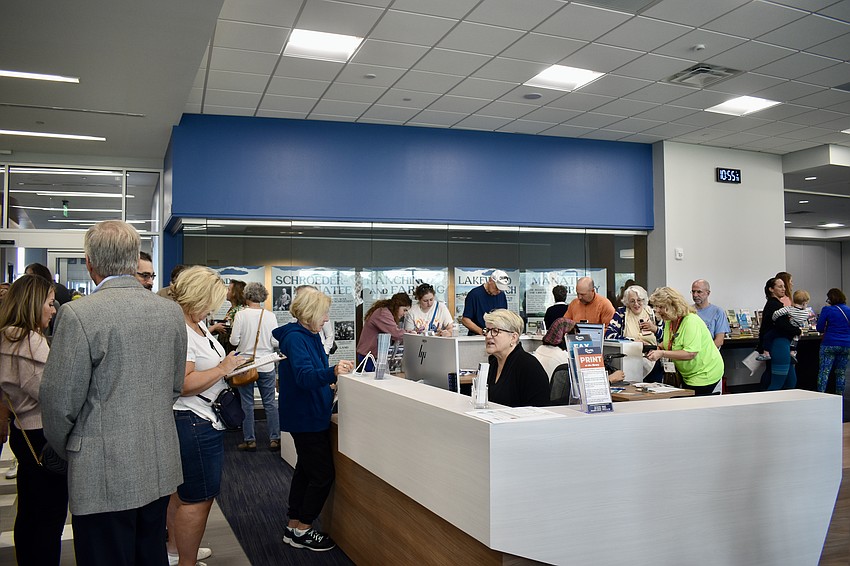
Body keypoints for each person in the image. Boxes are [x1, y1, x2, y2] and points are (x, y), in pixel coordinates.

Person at [40, 220, 188, 566]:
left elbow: (58, 401)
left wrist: (71, 448)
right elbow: (174, 386)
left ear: (89, 262)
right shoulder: (170, 312)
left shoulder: (78, 314)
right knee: (149, 552)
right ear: (134, 258)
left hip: (100, 470)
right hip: (157, 459)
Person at [168, 266, 241, 566]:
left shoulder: (194, 324)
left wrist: (225, 367)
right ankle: (186, 560)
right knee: (198, 498)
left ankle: (177, 552)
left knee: (182, 495)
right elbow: (184, 384)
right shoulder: (184, 329)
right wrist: (223, 369)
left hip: (198, 419)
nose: (214, 307)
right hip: (194, 421)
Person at [272, 288, 355, 552]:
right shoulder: (297, 339)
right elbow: (305, 377)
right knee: (322, 475)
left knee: (306, 471)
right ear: (309, 313)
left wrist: (327, 380)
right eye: (324, 313)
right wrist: (332, 372)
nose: (327, 318)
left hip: (309, 413)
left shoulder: (308, 334)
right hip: (305, 416)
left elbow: (310, 374)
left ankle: (293, 524)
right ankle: (304, 530)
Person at [0, 274, 67, 565]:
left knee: (28, 511)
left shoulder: (6, 336)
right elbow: (51, 394)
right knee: (49, 517)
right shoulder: (30, 342)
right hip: (42, 434)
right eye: (50, 304)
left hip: (22, 432)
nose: (53, 310)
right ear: (33, 304)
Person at [230, 282, 281, 452]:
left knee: (247, 404)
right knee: (270, 403)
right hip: (266, 364)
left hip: (246, 365)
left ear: (246, 295)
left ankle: (250, 440)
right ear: (263, 296)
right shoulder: (270, 316)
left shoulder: (241, 315)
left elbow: (233, 341)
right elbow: (275, 342)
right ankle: (275, 439)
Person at [645, 287, 724, 396]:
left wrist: (662, 353)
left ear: (673, 305)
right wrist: (658, 348)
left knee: (698, 408)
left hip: (705, 374)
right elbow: (670, 342)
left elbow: (690, 353)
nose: (657, 310)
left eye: (661, 307)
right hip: (688, 374)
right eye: (656, 307)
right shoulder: (670, 320)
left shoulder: (690, 321)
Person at [484, 309, 550, 407]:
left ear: (513, 337)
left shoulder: (528, 366)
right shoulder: (493, 363)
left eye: (495, 331)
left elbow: (538, 410)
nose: (488, 336)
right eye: (487, 330)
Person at [605, 284, 664, 382]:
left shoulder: (653, 313)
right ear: (627, 302)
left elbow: (665, 338)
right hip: (628, 360)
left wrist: (655, 329)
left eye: (639, 300)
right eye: (632, 301)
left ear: (644, 300)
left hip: (653, 360)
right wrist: (632, 341)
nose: (636, 304)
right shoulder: (621, 313)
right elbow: (609, 335)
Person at [757, 277, 800, 391]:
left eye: (784, 286)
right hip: (779, 344)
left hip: (781, 344)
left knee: (790, 380)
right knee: (778, 381)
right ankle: (769, 406)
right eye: (780, 286)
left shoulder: (775, 305)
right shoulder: (774, 305)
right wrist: (797, 330)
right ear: (771, 289)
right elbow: (782, 325)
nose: (783, 289)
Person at [356, 292, 411, 370]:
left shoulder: (384, 311)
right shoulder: (383, 313)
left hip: (370, 355)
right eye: (404, 310)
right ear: (397, 306)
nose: (405, 314)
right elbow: (396, 333)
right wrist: (411, 334)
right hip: (369, 356)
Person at [816, 288, 850, 396]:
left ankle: (820, 396)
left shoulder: (827, 310)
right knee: (841, 373)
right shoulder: (849, 310)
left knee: (824, 371)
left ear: (830, 299)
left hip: (829, 344)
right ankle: (840, 397)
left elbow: (820, 328)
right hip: (846, 345)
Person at [461, 270, 510, 336]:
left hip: (497, 336)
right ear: (490, 281)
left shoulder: (501, 295)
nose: (498, 291)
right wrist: (482, 332)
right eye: (497, 287)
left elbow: (504, 317)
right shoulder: (474, 294)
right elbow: (465, 320)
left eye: (501, 289)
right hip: (478, 336)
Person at [772, 289, 811, 360]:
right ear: (804, 303)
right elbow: (804, 323)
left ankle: (791, 352)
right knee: (795, 340)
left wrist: (774, 319)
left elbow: (776, 313)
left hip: (788, 331)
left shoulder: (789, 309)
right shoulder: (806, 313)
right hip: (797, 331)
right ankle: (793, 352)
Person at [209, 279, 246, 353]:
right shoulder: (232, 309)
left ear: (235, 293)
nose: (226, 292)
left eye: (229, 289)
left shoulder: (240, 311)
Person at [691, 279, 730, 348]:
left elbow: (719, 340)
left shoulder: (718, 312)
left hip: (709, 354)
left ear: (708, 293)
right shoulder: (688, 311)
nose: (695, 295)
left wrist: (705, 353)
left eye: (699, 292)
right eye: (693, 292)